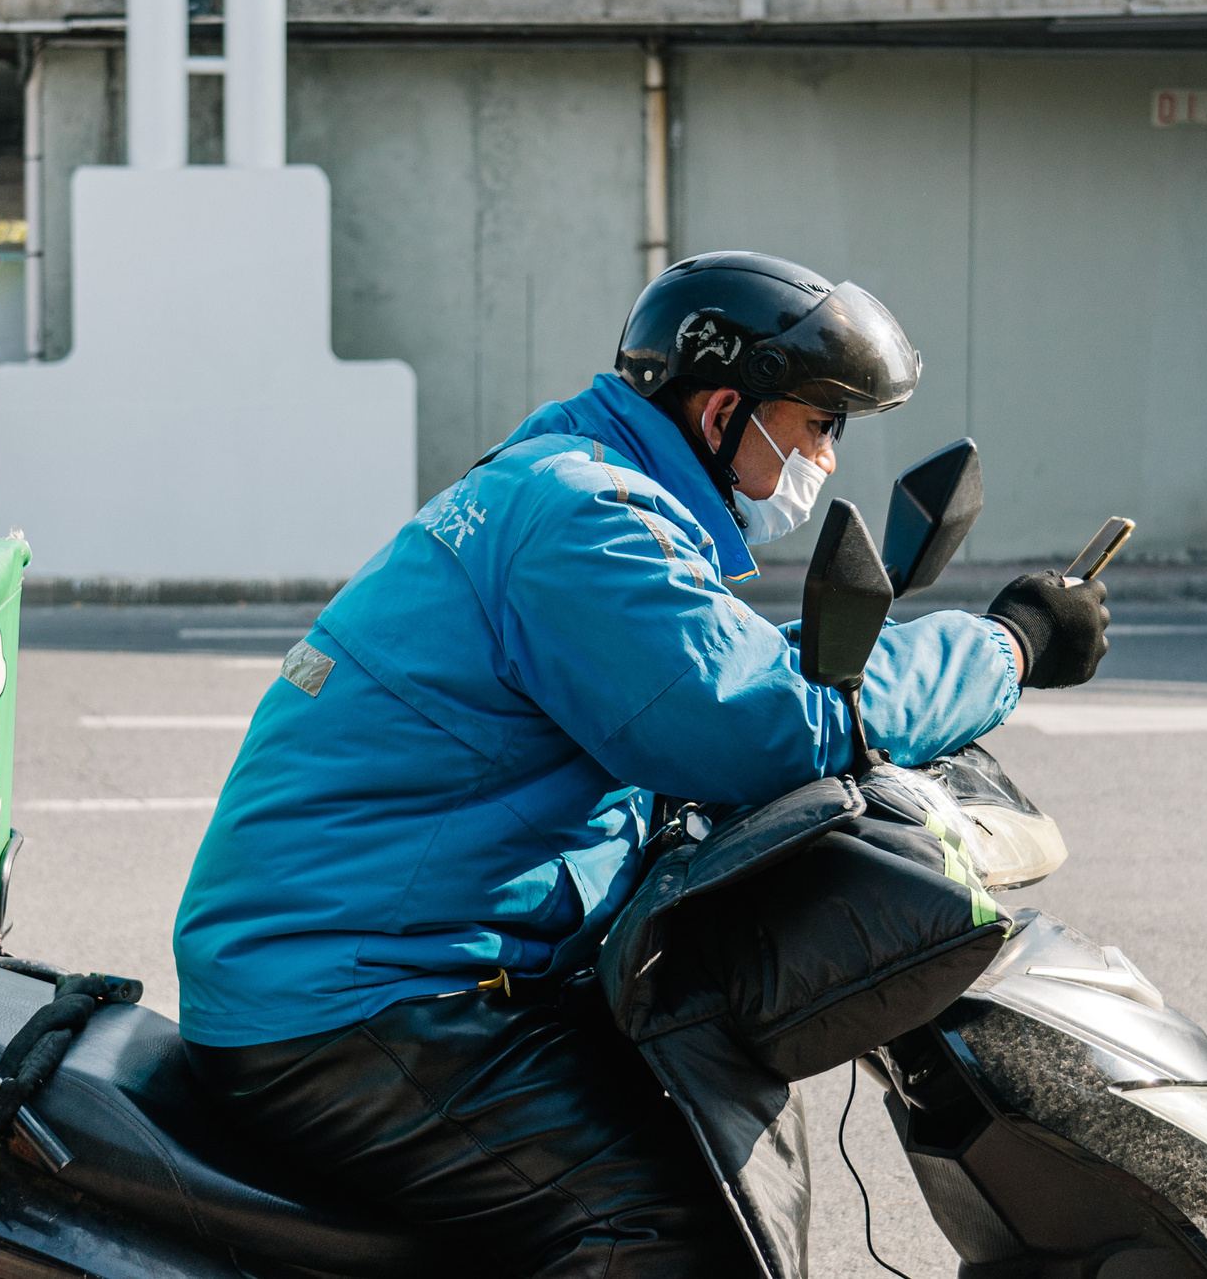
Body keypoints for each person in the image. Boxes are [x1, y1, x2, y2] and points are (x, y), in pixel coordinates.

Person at [172, 251, 1112, 1278]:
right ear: (721, 415)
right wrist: (1004, 646)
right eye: (816, 425)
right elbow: (768, 720)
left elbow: (709, 691)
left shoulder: (573, 484)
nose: (826, 462)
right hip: (355, 1005)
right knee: (671, 1223)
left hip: (369, 960)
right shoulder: (585, 517)